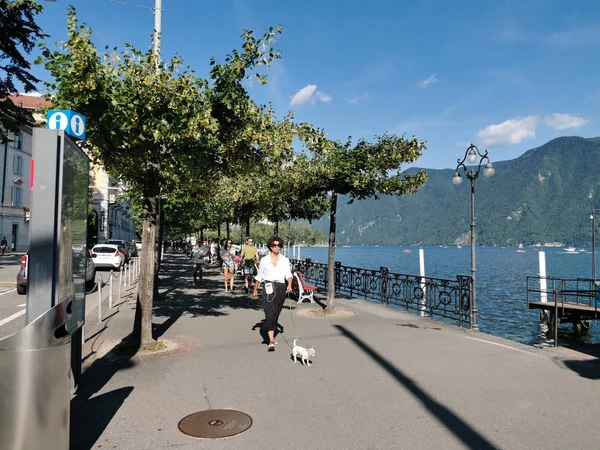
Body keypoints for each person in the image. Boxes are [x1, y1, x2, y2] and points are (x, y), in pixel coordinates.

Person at [253, 235, 293, 352]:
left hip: (281, 287)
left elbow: (288, 274)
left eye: (279, 245)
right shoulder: (264, 260)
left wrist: (289, 285)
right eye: (274, 245)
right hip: (268, 286)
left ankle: (270, 329)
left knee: (276, 312)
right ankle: (271, 340)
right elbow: (259, 276)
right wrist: (255, 289)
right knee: (269, 311)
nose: (277, 247)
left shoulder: (285, 260)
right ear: (270, 246)